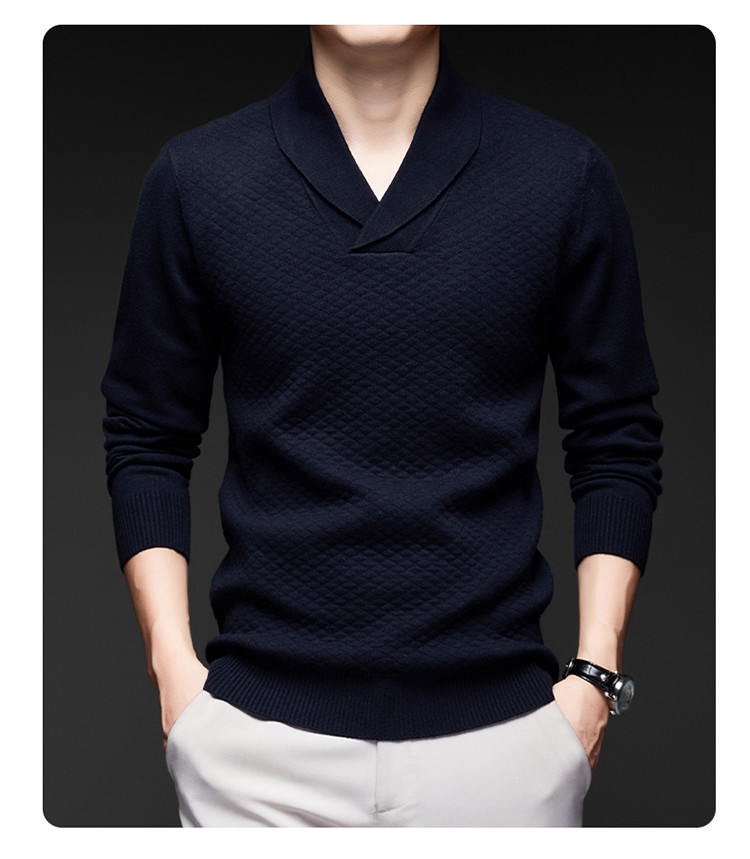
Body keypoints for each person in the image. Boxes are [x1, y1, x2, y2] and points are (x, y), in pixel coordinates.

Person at [100, 24, 664, 827]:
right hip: (253, 750)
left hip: (506, 749)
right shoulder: (200, 175)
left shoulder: (561, 172)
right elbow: (147, 434)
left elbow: (615, 435)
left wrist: (594, 676)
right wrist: (173, 671)